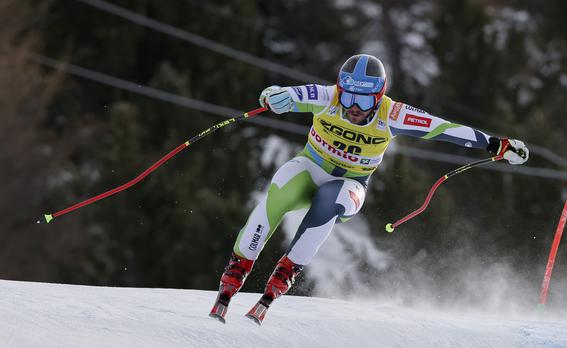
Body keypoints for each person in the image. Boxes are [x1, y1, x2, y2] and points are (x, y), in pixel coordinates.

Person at [209, 54, 529, 325]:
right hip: (311, 168)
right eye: (348, 96)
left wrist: (493, 144)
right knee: (280, 189)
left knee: (327, 201)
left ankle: (282, 277)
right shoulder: (329, 97)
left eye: (363, 100)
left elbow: (442, 128)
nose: (353, 107)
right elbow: (289, 95)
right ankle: (236, 271)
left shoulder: (392, 114)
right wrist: (273, 96)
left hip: (350, 185)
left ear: (378, 97)